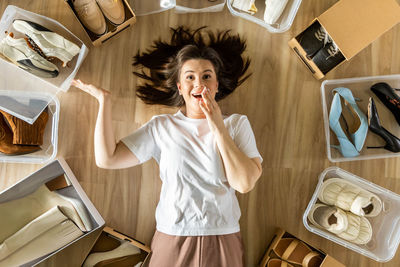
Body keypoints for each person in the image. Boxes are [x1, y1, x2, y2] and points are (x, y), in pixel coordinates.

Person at [72, 27, 263, 267]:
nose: (199, 83)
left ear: (216, 86)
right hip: (173, 234)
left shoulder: (236, 124)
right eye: (190, 77)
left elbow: (244, 184)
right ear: (180, 87)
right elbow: (107, 159)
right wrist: (104, 101)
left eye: (206, 76)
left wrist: (217, 127)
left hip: (222, 234)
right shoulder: (162, 126)